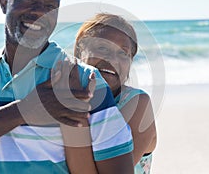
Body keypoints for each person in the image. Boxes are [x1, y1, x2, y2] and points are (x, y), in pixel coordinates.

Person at [0, 0, 135, 173]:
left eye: (50, 6)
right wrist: (24, 111)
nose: (40, 12)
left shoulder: (83, 80)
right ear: (4, 3)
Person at [66, 13, 157, 174]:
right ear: (79, 52)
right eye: (102, 48)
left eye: (123, 53)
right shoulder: (60, 96)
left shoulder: (137, 105)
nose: (113, 59)